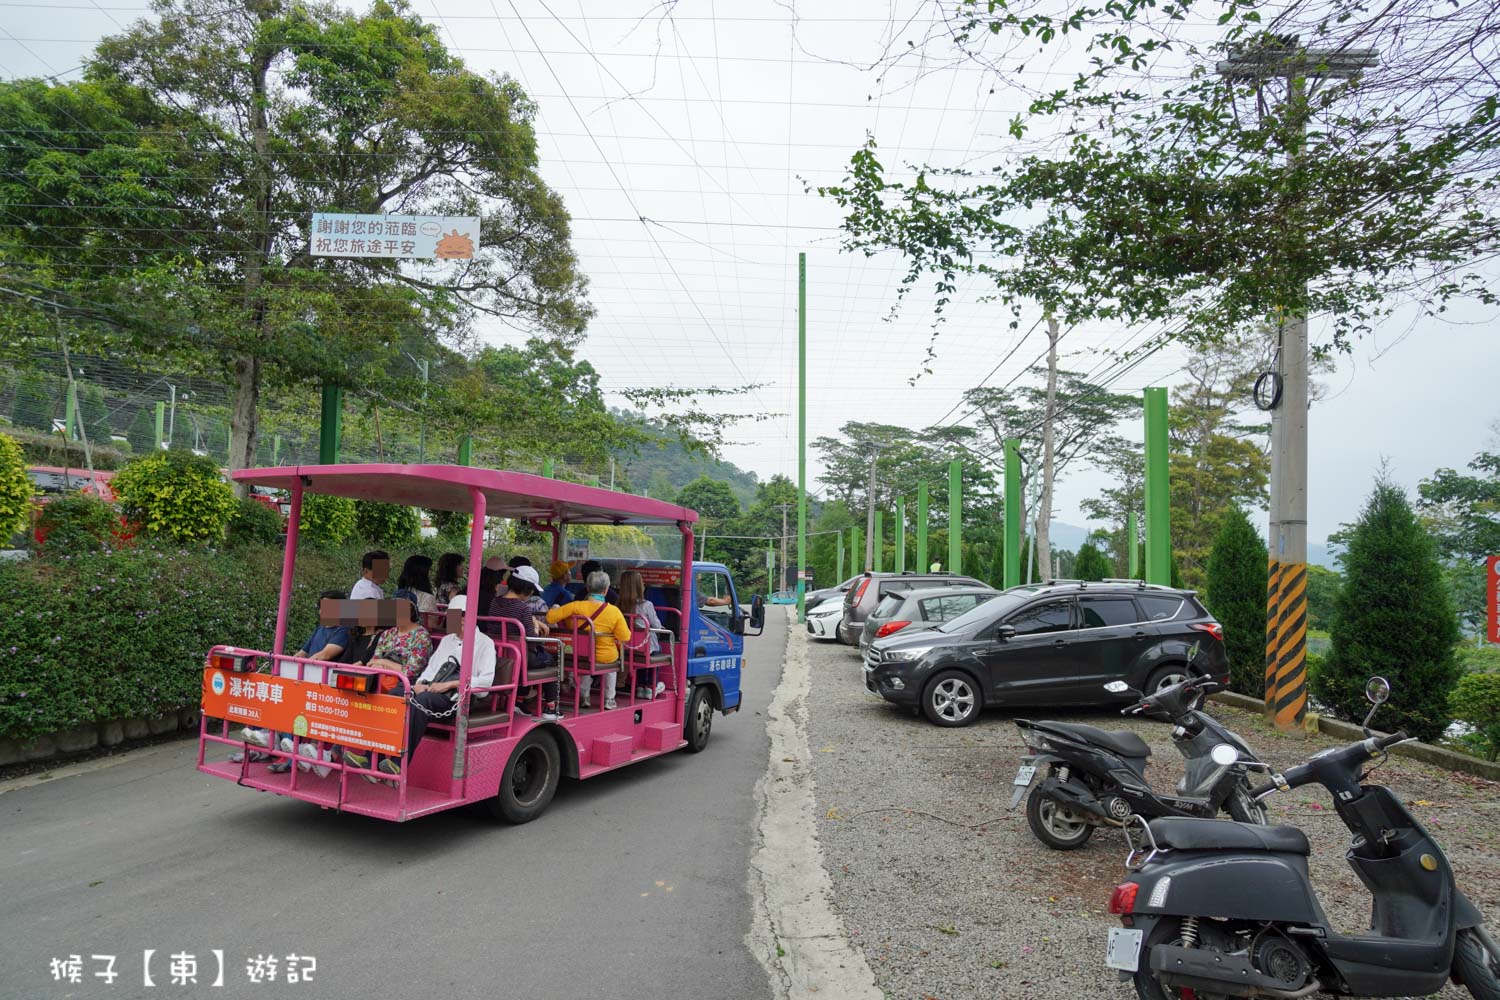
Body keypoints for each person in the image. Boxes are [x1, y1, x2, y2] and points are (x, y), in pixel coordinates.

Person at [344, 594, 495, 780]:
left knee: (421, 702)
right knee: (397, 693)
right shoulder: (448, 640)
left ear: (472, 616)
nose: (460, 619)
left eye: (464, 614)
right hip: (432, 689)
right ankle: (370, 757)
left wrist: (453, 683)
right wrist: (418, 685)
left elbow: (486, 681)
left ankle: (399, 764)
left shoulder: (485, 643)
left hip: (458, 697)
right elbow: (431, 668)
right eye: (455, 615)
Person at [238, 589, 349, 762]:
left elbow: (324, 655)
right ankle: (264, 736)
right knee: (271, 689)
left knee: (293, 699)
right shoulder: (319, 630)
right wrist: (286, 665)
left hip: (323, 685)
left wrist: (299, 669)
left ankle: (283, 743)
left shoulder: (344, 631)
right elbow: (301, 653)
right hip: (306, 679)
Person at [548, 570, 632, 710]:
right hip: (605, 656)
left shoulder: (576, 606)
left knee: (584, 665)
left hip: (578, 654)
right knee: (611, 669)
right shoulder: (614, 611)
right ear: (606, 590)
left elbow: (550, 618)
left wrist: (555, 608)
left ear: (587, 588)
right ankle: (609, 699)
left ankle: (584, 696)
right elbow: (625, 637)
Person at [489, 565, 560, 721]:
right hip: (521, 657)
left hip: (499, 654)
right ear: (527, 589)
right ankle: (551, 707)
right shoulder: (523, 608)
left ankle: (519, 701)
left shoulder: (495, 602)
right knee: (552, 660)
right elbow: (531, 642)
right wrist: (535, 626)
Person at [366, 589, 433, 692]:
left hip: (406, 686)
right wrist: (385, 665)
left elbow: (411, 672)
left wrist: (383, 662)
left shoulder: (421, 636)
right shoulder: (387, 634)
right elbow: (372, 662)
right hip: (380, 681)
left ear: (411, 611)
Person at [616, 569, 667, 700]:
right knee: (655, 649)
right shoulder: (646, 605)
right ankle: (651, 685)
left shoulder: (617, 605)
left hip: (625, 647)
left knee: (638, 655)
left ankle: (640, 686)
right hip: (643, 647)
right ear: (639, 586)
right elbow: (656, 625)